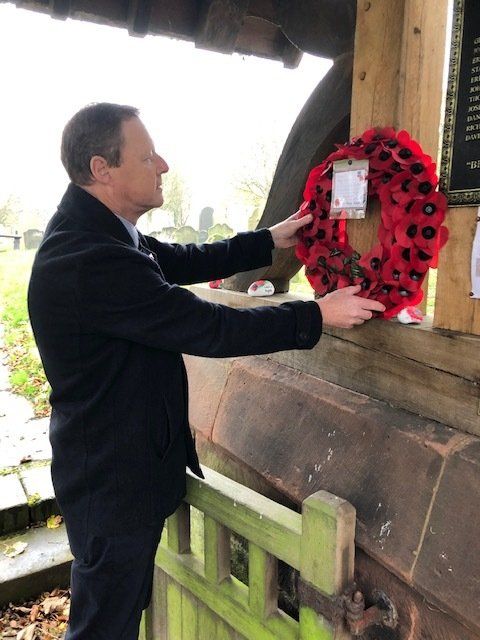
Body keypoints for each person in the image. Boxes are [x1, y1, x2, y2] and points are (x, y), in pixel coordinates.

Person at [27, 102, 384, 640]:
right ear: (103, 170)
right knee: (103, 626)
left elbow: (182, 260)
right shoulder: (87, 257)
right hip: (113, 485)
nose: (164, 165)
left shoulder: (103, 231)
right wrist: (315, 314)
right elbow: (206, 326)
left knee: (116, 614)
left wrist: (268, 240)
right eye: (147, 157)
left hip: (117, 471)